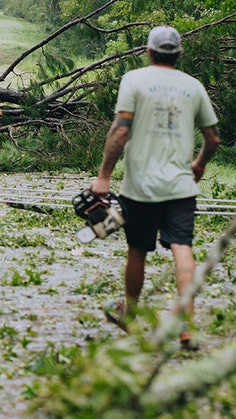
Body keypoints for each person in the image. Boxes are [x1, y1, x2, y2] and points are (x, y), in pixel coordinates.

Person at [90, 25, 220, 350]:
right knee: (182, 248)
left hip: (140, 188)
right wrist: (200, 164)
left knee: (137, 250)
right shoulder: (194, 86)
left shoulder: (134, 79)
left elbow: (120, 132)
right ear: (179, 54)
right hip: (181, 186)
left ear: (148, 52)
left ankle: (130, 314)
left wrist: (104, 176)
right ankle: (188, 326)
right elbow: (213, 138)